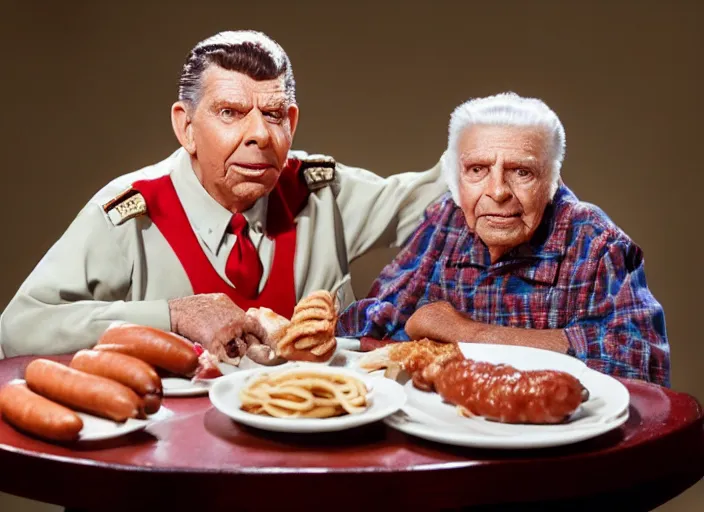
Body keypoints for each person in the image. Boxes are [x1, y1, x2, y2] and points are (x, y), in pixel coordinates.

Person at [0, 30, 447, 359]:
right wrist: (173, 315)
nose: (259, 135)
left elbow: (448, 193)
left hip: (311, 458)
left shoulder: (320, 193)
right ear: (185, 126)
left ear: (291, 122)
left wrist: (501, 134)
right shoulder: (132, 212)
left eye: (273, 114)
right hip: (176, 467)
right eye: (231, 113)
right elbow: (18, 328)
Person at [337, 92, 670, 387]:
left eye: (521, 172)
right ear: (456, 177)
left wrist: (468, 334)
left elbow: (640, 364)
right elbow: (377, 321)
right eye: (477, 170)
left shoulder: (596, 242)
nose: (497, 192)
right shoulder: (446, 218)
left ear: (552, 179)